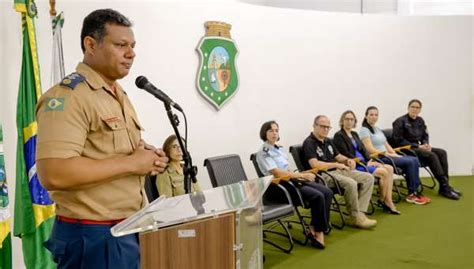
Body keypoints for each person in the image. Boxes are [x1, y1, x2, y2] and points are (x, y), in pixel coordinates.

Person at [36, 9, 168, 269]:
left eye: (132, 46)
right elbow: (54, 173)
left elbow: (110, 152)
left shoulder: (117, 93)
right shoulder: (68, 97)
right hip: (93, 237)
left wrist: (147, 156)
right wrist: (132, 164)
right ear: (90, 45)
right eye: (120, 45)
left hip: (127, 227)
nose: (131, 53)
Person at [256, 121, 333, 249]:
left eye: (276, 130)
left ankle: (315, 226)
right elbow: (277, 172)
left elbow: (288, 170)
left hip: (291, 181)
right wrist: (302, 176)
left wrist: (302, 176)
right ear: (265, 133)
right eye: (271, 131)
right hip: (279, 187)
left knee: (327, 192)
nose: (274, 133)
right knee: (317, 196)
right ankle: (318, 232)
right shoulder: (263, 152)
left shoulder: (279, 148)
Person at [302, 115, 377, 229]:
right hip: (323, 175)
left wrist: (347, 160)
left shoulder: (328, 141)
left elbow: (338, 156)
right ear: (314, 126)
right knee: (351, 183)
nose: (326, 129)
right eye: (323, 126)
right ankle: (355, 217)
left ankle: (361, 213)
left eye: (328, 127)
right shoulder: (309, 143)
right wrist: (335, 164)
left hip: (338, 170)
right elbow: (315, 164)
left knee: (368, 178)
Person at [359, 106, 431, 205]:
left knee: (413, 159)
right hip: (378, 158)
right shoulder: (364, 130)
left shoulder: (377, 129)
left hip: (388, 156)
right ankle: (411, 195)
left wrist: (395, 154)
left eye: (376, 115)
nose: (374, 117)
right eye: (371, 114)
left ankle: (416, 191)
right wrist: (389, 154)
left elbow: (386, 144)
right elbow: (369, 149)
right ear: (366, 116)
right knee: (410, 161)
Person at [392, 99, 461, 200]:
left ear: (420, 109)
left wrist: (425, 144)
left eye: (417, 107)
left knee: (442, 152)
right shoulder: (400, 121)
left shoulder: (420, 121)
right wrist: (417, 146)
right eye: (413, 107)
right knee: (431, 155)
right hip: (407, 150)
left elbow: (425, 134)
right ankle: (445, 187)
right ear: (408, 108)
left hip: (419, 149)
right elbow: (398, 141)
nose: (415, 109)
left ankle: (445, 185)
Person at [333, 110, 400, 214]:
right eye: (347, 119)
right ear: (342, 121)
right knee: (383, 172)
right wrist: (365, 163)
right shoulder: (338, 136)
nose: (349, 121)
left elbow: (363, 149)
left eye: (352, 119)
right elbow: (345, 154)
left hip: (364, 162)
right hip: (356, 165)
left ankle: (387, 200)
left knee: (390, 168)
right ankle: (384, 201)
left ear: (354, 121)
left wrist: (370, 160)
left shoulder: (354, 134)